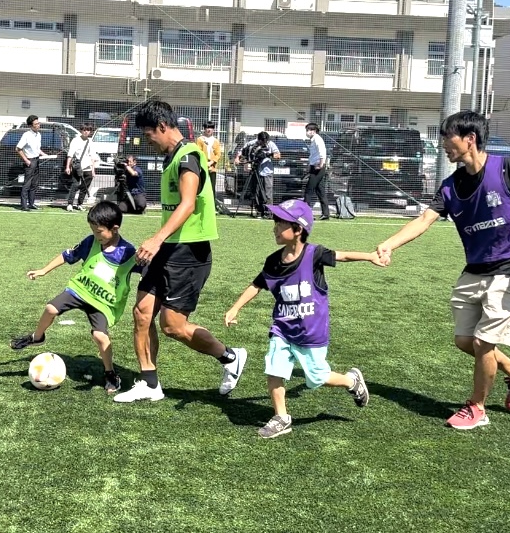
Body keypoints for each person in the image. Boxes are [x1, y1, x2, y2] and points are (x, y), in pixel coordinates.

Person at [375, 110, 510, 431]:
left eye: (448, 137)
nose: (444, 144)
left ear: (469, 139)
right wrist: (390, 244)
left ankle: (477, 407)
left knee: (484, 343)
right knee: (465, 341)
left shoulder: (507, 167)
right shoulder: (450, 186)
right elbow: (424, 220)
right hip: (474, 270)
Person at [113, 101, 246, 403]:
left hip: (190, 252)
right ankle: (149, 383)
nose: (148, 141)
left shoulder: (189, 157)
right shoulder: (170, 157)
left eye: (149, 135)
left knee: (173, 326)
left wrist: (157, 238)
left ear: (162, 126)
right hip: (167, 249)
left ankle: (230, 357)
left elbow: (187, 204)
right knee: (142, 313)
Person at [224, 199, 378, 439]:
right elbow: (257, 284)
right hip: (283, 328)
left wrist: (370, 257)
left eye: (280, 223)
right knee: (274, 368)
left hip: (311, 332)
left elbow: (342, 256)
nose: (274, 227)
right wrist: (235, 308)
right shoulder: (273, 261)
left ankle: (351, 381)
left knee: (317, 378)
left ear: (298, 229)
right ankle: (281, 417)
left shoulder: (314, 254)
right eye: (275, 222)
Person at [11, 202, 140, 394]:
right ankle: (37, 337)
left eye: (99, 232)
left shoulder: (129, 252)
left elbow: (148, 272)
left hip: (103, 303)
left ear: (115, 229)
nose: (96, 235)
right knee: (50, 308)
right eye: (93, 231)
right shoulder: (91, 242)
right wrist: (43, 271)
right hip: (80, 290)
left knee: (100, 336)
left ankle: (110, 373)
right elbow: (67, 255)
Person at [234, 131, 280, 218]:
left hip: (267, 171)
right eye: (262, 141)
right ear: (258, 139)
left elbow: (278, 155)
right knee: (256, 191)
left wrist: (267, 154)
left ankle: (268, 212)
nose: (263, 143)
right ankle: (259, 211)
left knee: (267, 192)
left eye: (265, 141)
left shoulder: (271, 144)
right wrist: (237, 158)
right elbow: (241, 151)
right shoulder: (252, 143)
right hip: (255, 170)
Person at [65, 124, 99, 212]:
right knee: (75, 185)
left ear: (90, 132)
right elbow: (70, 154)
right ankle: (70, 204)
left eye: (88, 130)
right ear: (81, 130)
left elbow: (93, 157)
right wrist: (68, 167)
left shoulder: (91, 142)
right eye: (84, 130)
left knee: (85, 187)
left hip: (88, 167)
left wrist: (93, 170)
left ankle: (80, 204)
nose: (86, 131)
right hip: (77, 167)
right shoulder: (75, 140)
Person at [303, 123, 333, 220]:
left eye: (308, 130)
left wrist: (320, 165)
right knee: (320, 191)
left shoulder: (317, 139)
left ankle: (306, 214)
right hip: (314, 166)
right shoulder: (313, 140)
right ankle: (326, 213)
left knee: (308, 190)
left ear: (313, 131)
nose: (307, 132)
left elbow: (322, 153)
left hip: (317, 167)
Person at [16, 115, 43, 211]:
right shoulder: (26, 135)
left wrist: (44, 154)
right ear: (31, 126)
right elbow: (18, 149)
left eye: (38, 123)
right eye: (36, 124)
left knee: (34, 184)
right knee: (27, 184)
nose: (38, 125)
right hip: (30, 161)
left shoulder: (39, 135)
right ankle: (24, 205)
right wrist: (26, 160)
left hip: (36, 160)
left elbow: (37, 149)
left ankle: (31, 203)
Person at [198, 121, 223, 192]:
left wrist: (211, 162)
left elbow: (218, 154)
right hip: (202, 166)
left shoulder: (216, 141)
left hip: (212, 167)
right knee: (201, 187)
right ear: (204, 129)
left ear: (213, 130)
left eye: (211, 128)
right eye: (207, 128)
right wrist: (203, 162)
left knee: (212, 187)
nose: (209, 129)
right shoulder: (200, 139)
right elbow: (199, 152)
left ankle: (212, 202)